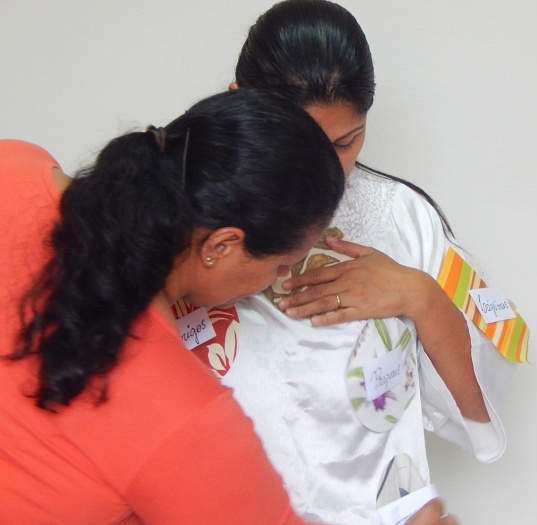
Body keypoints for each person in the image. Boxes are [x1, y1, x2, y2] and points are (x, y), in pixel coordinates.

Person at [174, 2, 519, 524]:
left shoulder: (402, 217)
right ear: (238, 104)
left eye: (345, 141)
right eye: (301, 142)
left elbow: (480, 410)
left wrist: (420, 295)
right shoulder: (177, 213)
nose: (325, 171)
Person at [1, 88, 359, 525]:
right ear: (221, 246)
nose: (280, 278)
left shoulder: (16, 164)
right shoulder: (181, 418)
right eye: (280, 265)